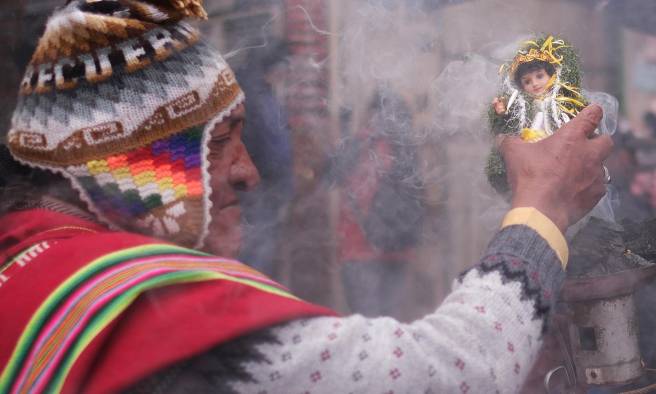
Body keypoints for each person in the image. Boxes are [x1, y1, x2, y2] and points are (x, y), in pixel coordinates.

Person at [0, 1, 612, 392]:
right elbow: (455, 376)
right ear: (132, 166)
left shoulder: (27, 263)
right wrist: (543, 203)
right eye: (220, 143)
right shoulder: (161, 313)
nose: (249, 174)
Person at [333, 90, 424, 317]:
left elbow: (333, 179)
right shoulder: (407, 148)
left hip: (361, 249)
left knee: (367, 327)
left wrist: (343, 131)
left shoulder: (363, 145)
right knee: (391, 324)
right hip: (399, 248)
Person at [236, 42, 295, 277]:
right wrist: (272, 182)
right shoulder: (251, 95)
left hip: (269, 190)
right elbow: (258, 144)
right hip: (258, 191)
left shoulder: (266, 94)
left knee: (265, 250)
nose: (288, 73)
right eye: (286, 66)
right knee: (257, 251)